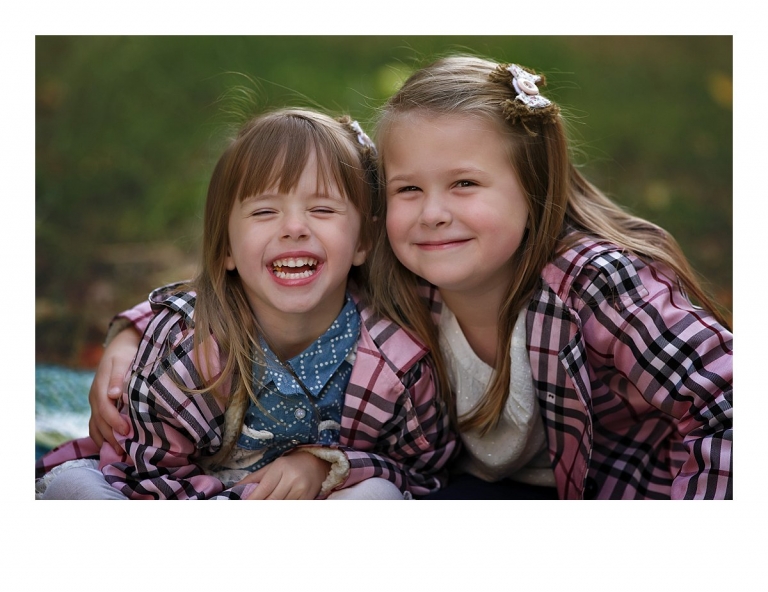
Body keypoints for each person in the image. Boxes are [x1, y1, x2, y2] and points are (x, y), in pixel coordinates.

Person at [83, 55, 734, 499]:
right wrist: (132, 333)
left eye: (465, 184)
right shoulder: (403, 272)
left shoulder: (596, 285)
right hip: (464, 489)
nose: (433, 213)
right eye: (408, 189)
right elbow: (262, 278)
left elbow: (729, 406)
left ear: (535, 190)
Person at [35, 108, 456, 499]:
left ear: (363, 240)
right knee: (74, 489)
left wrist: (330, 467)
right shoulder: (186, 344)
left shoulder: (397, 363)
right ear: (226, 248)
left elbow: (423, 473)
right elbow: (148, 473)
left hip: (315, 503)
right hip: (173, 495)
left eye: (322, 208)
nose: (294, 227)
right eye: (264, 212)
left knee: (378, 495)